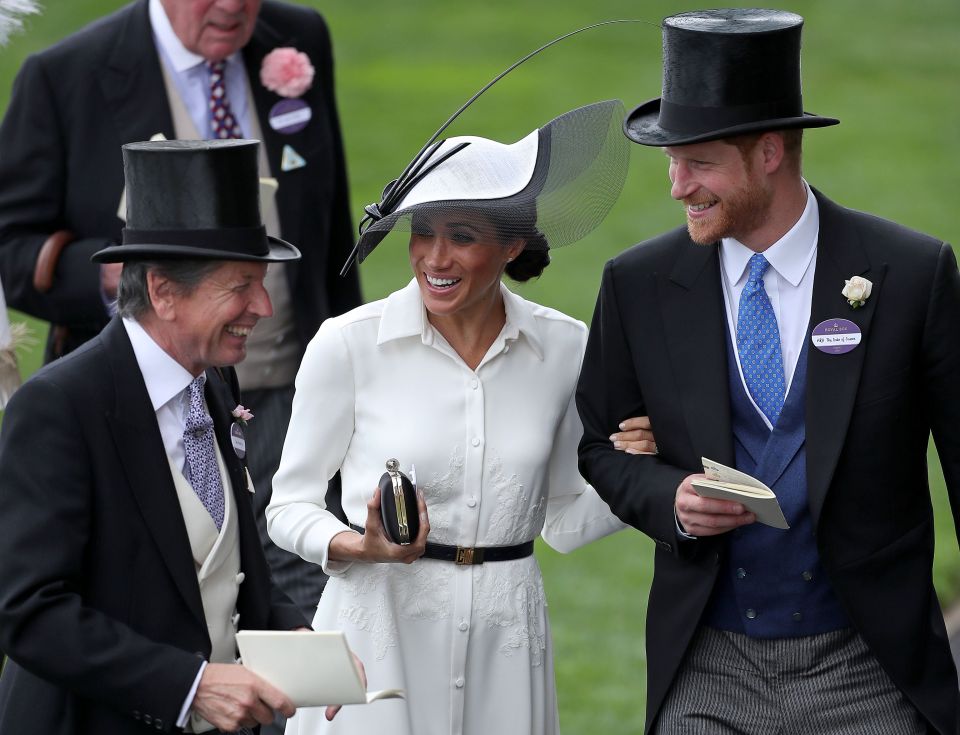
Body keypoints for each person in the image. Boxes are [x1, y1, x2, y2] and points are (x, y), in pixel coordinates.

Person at [576, 9, 960, 735]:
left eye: (699, 162)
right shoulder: (639, 282)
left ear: (770, 152)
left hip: (868, 671)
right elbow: (598, 447)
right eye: (671, 160)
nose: (676, 185)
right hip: (707, 670)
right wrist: (673, 498)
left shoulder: (912, 274)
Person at [266, 100, 653, 735]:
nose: (434, 258)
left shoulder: (566, 347)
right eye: (423, 231)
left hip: (507, 645)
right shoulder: (348, 344)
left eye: (463, 236)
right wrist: (355, 544)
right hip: (375, 640)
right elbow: (287, 506)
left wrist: (639, 471)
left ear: (513, 245)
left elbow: (563, 520)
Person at [0, 0, 360, 619]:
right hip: (151, 404)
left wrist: (352, 374)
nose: (232, 7)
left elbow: (328, 225)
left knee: (309, 602)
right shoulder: (66, 75)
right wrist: (125, 269)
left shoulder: (298, 36)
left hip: (295, 392)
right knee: (177, 601)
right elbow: (12, 249)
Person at [0, 139, 350, 734]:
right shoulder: (60, 406)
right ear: (163, 290)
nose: (263, 306)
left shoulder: (214, 378)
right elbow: (28, 612)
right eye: (241, 285)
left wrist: (287, 630)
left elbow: (226, 564)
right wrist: (189, 687)